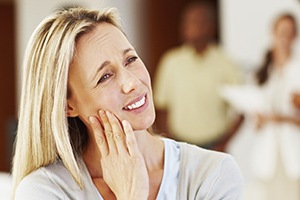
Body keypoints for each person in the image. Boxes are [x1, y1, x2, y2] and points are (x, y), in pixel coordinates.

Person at [11, 7, 243, 200]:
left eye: (131, 59)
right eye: (105, 76)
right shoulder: (44, 191)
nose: (132, 82)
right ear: (67, 106)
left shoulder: (213, 174)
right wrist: (131, 194)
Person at [227, 13, 300, 200]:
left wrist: (280, 118)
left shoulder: (297, 69)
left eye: (290, 33)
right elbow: (255, 120)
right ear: (273, 34)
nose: (285, 37)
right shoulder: (263, 72)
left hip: (293, 153)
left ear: (295, 37)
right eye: (282, 32)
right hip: (268, 155)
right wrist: (258, 119)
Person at [153, 0, 242, 151]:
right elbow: (161, 108)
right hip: (181, 146)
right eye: (186, 22)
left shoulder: (225, 62)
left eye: (196, 22)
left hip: (215, 146)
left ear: (210, 27)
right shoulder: (171, 62)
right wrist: (170, 141)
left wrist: (224, 143)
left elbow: (242, 109)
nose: (188, 27)